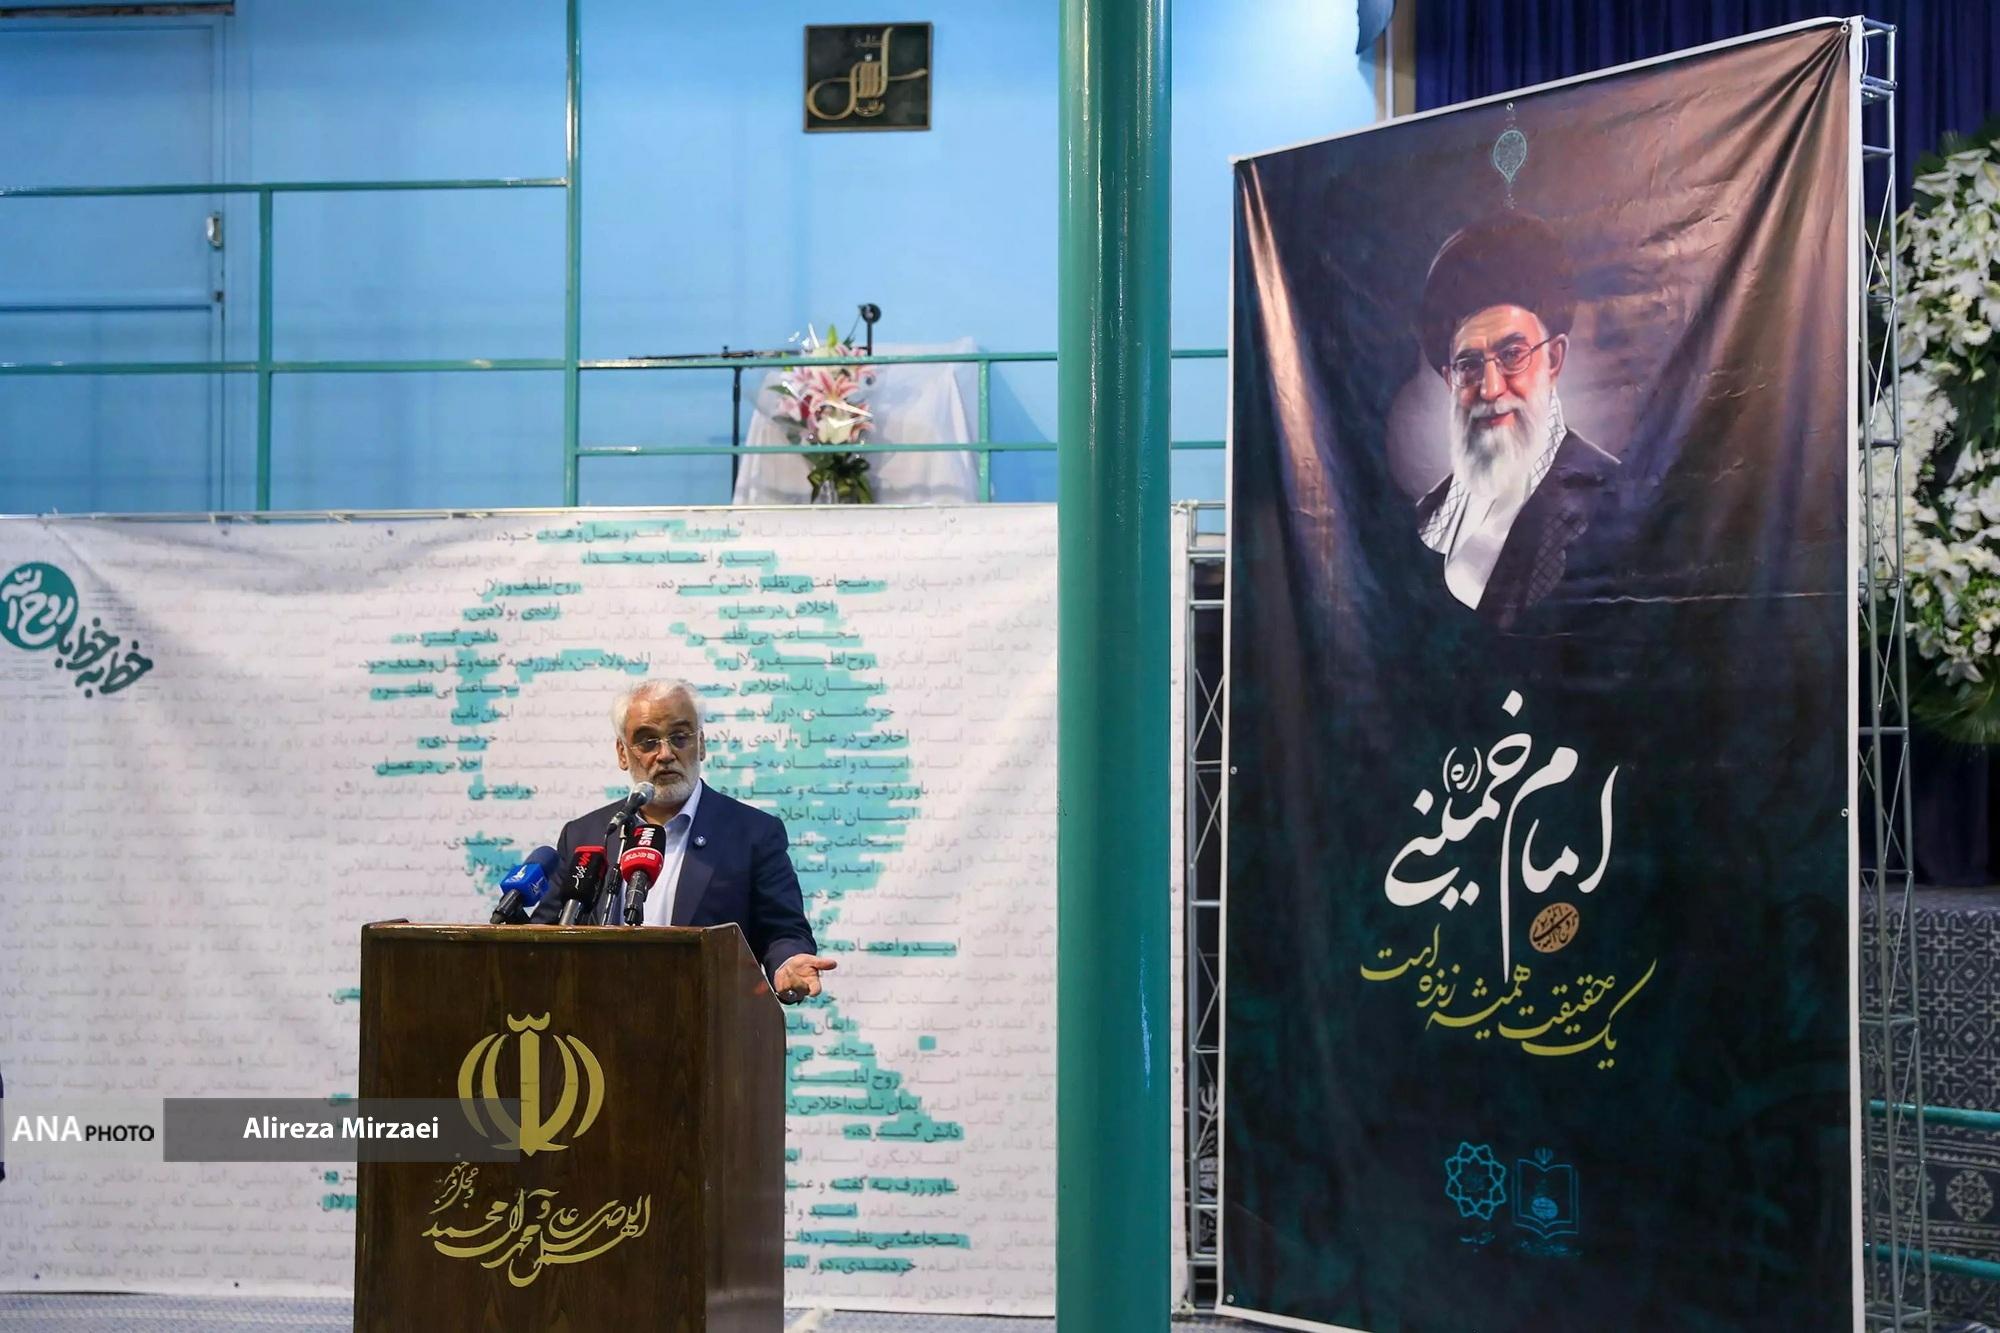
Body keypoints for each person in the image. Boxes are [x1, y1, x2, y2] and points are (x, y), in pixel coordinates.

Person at [530, 677, 836, 1002]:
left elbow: (783, 930)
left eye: (679, 737)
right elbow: (543, 933)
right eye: (647, 741)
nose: (665, 754)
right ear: (622, 753)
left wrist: (787, 963)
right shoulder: (587, 835)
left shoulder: (752, 833)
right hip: (596, 1020)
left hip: (706, 1020)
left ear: (701, 743)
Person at [1413, 212, 1619, 627]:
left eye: (1511, 355)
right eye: (1469, 365)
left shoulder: (1613, 501)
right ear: (1450, 380)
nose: (1490, 389)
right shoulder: (1426, 517)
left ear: (1554, 359)